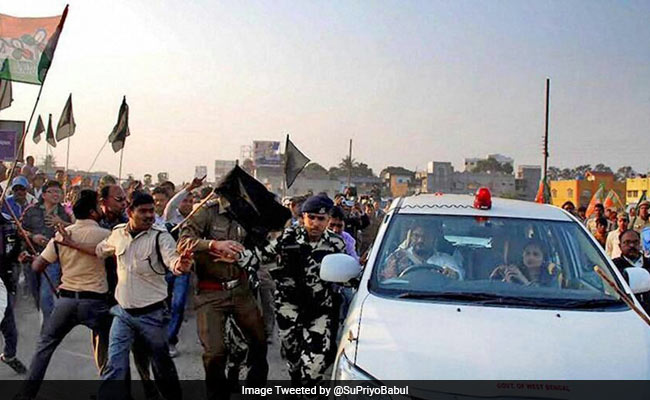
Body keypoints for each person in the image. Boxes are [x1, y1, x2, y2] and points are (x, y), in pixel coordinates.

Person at [95, 192, 192, 400]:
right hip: (123, 314)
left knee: (161, 366)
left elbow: (172, 259)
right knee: (115, 366)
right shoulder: (118, 233)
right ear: (130, 212)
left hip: (153, 316)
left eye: (151, 211)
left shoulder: (161, 236)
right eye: (143, 211)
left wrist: (180, 265)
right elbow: (100, 250)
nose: (149, 215)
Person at [19, 190, 112, 399]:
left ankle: (26, 395)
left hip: (67, 301)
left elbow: (38, 266)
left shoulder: (61, 235)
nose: (101, 208)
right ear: (92, 212)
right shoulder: (107, 236)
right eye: (98, 205)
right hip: (95, 302)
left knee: (44, 347)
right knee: (113, 350)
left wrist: (31, 258)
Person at [177, 193, 268, 400]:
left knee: (259, 341)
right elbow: (183, 242)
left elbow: (262, 245)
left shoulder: (249, 213)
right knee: (215, 352)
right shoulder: (205, 212)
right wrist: (213, 245)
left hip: (241, 289)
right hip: (211, 292)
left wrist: (241, 255)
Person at [258, 194, 346, 386]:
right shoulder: (287, 237)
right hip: (289, 307)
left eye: (321, 219)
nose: (315, 223)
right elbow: (259, 256)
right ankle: (296, 376)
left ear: (328, 220)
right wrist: (234, 255)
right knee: (293, 353)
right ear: (303, 217)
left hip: (319, 309)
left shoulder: (336, 244)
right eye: (311, 218)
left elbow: (345, 273)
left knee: (314, 366)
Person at [21, 180, 71, 329]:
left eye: (59, 192)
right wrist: (32, 236)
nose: (56, 195)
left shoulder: (65, 213)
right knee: (35, 293)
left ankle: (48, 328)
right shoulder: (31, 210)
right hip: (31, 257)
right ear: (44, 195)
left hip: (52, 259)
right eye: (53, 191)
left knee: (46, 295)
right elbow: (20, 229)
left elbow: (76, 230)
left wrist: (61, 222)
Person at [380, 222, 463, 280]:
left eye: (425, 237)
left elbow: (459, 276)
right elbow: (386, 280)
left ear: (433, 239)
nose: (420, 240)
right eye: (416, 236)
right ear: (411, 237)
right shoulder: (397, 258)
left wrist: (453, 275)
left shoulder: (446, 260)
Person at [0, 212, 27, 374]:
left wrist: (20, 240)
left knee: (9, 326)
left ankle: (9, 355)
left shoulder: (9, 224)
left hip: (4, 279)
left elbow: (14, 252)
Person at [490, 240, 562, 287]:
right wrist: (507, 282)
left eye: (536, 254)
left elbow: (546, 296)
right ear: (522, 255)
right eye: (527, 253)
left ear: (543, 258)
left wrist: (524, 280)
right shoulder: (512, 271)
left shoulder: (551, 274)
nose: (531, 257)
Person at [612, 230, 650, 312]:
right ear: (620, 246)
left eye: (635, 242)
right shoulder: (613, 267)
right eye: (627, 242)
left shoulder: (648, 263)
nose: (632, 245)